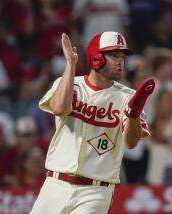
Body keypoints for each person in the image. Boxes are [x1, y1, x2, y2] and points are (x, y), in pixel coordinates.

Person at [30, 31, 155, 213]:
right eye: (114, 55)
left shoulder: (128, 97)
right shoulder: (70, 84)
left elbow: (130, 142)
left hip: (95, 190)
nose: (120, 61)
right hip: (55, 185)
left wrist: (133, 113)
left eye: (122, 57)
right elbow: (59, 109)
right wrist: (71, 64)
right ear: (96, 58)